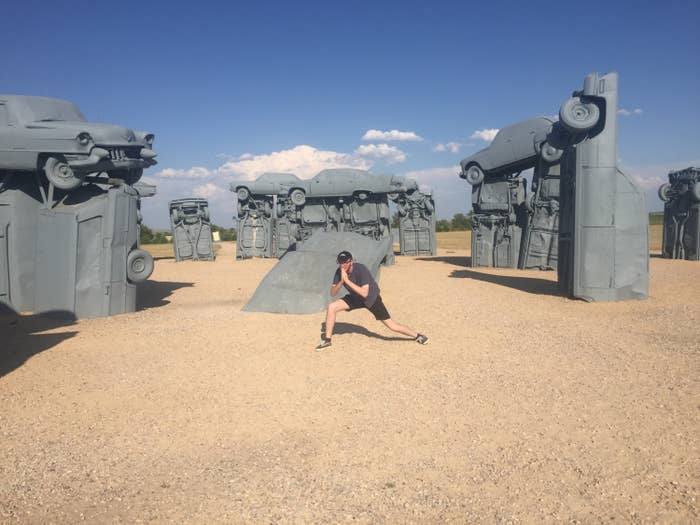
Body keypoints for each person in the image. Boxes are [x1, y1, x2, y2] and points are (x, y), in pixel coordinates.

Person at [316, 250, 428, 350]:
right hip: (355, 298)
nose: (342, 265)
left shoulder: (361, 269)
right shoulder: (339, 272)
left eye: (345, 262)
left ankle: (417, 336)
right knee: (332, 307)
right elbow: (332, 293)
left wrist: (347, 281)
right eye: (340, 262)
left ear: (351, 261)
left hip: (371, 298)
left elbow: (365, 293)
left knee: (392, 325)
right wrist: (341, 281)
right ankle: (327, 340)